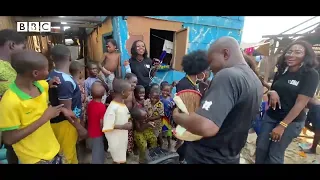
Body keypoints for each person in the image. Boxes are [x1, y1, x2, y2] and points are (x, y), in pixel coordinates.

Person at [173, 36, 263, 164]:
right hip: (229, 157)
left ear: (225, 53)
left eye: (210, 62)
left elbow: (206, 126)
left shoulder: (228, 75)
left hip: (206, 158)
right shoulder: (254, 79)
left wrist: (177, 117)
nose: (209, 68)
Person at [255, 41, 319, 164]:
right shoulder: (282, 71)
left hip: (291, 122)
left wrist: (282, 126)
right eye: (289, 51)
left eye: (298, 52)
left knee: (274, 154)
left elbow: (301, 103)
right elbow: (273, 88)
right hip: (271, 116)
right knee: (261, 148)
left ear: (306, 56)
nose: (291, 55)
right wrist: (272, 92)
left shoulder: (310, 75)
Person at [0, 50, 64, 164]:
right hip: (35, 159)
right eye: (46, 68)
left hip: (53, 150)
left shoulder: (40, 85)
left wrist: (51, 83)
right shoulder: (9, 101)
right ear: (35, 73)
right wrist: (44, 118)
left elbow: (46, 83)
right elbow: (9, 139)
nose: (49, 71)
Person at [48, 44, 86, 164]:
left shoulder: (53, 74)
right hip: (66, 124)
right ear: (70, 57)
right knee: (66, 157)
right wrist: (81, 129)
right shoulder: (65, 81)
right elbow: (67, 112)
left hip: (61, 123)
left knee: (69, 153)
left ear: (51, 58)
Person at [174, 50, 209, 163]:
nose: (207, 72)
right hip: (187, 117)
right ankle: (180, 158)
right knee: (188, 142)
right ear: (199, 70)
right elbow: (187, 106)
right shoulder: (186, 85)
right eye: (205, 69)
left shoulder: (192, 83)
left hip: (189, 117)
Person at [0, 29, 26, 164]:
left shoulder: (12, 66)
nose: (24, 51)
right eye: (23, 47)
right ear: (11, 45)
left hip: (13, 124)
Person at [102, 78, 133, 164]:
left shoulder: (122, 105)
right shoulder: (112, 108)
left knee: (120, 159)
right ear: (123, 92)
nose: (130, 93)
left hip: (122, 139)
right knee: (118, 160)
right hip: (116, 140)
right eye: (129, 91)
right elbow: (107, 125)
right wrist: (123, 127)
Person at [87, 81, 107, 164]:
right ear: (103, 95)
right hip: (98, 134)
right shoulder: (102, 107)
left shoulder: (90, 104)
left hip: (90, 132)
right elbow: (101, 123)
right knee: (97, 153)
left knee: (95, 151)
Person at [160, 83, 175, 150]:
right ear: (161, 90)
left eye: (167, 91)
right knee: (160, 130)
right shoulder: (159, 98)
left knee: (168, 131)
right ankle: (161, 143)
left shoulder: (171, 100)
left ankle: (169, 143)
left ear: (170, 92)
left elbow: (173, 108)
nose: (165, 92)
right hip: (160, 117)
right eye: (164, 90)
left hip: (168, 118)